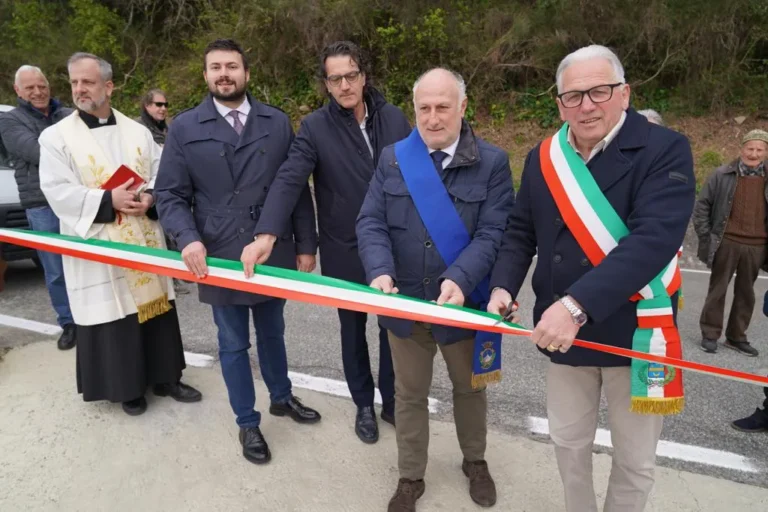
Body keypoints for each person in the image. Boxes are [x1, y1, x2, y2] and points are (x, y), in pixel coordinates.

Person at [487, 45, 695, 512]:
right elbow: (521, 232)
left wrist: (576, 306)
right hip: (565, 339)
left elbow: (653, 240)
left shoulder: (665, 149)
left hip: (635, 332)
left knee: (636, 460)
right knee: (568, 445)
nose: (586, 105)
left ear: (624, 94)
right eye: (573, 95)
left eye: (598, 91)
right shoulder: (544, 158)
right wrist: (502, 285)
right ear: (559, 102)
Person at [155, 38, 321, 466]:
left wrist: (306, 244)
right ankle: (247, 421)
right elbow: (170, 195)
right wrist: (187, 238)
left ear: (247, 73)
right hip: (217, 252)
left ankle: (281, 398)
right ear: (205, 75)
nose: (224, 73)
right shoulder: (185, 128)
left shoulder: (277, 122)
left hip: (271, 249)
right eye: (215, 67)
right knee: (232, 342)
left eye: (232, 66)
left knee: (273, 332)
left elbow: (295, 189)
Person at [357, 68, 514, 512]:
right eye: (423, 107)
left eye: (443, 106)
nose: (432, 117)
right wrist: (380, 270)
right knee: (408, 395)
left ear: (463, 107)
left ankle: (475, 461)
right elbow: (370, 221)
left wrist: (460, 279)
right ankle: (411, 476)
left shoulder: (493, 161)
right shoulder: (392, 157)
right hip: (403, 301)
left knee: (469, 390)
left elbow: (493, 233)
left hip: (461, 304)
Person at [246, 40, 411, 443]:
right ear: (326, 84)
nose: (344, 85)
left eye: (351, 75)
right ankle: (363, 406)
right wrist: (267, 233)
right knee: (352, 331)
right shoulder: (315, 129)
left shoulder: (394, 118)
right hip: (344, 247)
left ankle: (391, 402)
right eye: (334, 79)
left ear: (364, 76)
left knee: (394, 331)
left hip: (396, 247)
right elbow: (289, 179)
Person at [37, 52, 202, 415]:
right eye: (75, 82)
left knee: (155, 308)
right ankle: (128, 388)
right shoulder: (55, 138)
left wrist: (150, 195)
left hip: (143, 237)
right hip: (99, 241)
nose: (79, 89)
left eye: (88, 82)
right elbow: (56, 190)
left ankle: (167, 377)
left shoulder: (138, 131)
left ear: (108, 86)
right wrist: (107, 199)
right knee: (114, 314)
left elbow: (165, 173)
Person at [0, 65, 76, 350]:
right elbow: (36, 153)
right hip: (41, 204)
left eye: (41, 85)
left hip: (77, 199)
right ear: (18, 91)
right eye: (30, 87)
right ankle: (69, 323)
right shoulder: (10, 121)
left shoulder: (68, 114)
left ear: (49, 86)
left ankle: (94, 320)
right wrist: (73, 151)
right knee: (55, 269)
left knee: (87, 262)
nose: (38, 91)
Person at [693, 129, 768, 356]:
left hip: (757, 245)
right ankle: (710, 334)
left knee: (747, 293)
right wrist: (707, 236)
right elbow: (702, 206)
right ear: (742, 149)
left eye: (759, 149)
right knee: (718, 289)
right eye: (750, 148)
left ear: (766, 152)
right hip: (726, 240)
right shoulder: (721, 174)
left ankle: (736, 337)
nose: (753, 154)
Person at [136, 87, 190, 295]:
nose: (163, 108)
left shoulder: (166, 129)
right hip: (147, 189)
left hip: (169, 186)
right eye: (158, 104)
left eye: (166, 105)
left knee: (171, 233)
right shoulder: (139, 130)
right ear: (147, 106)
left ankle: (175, 276)